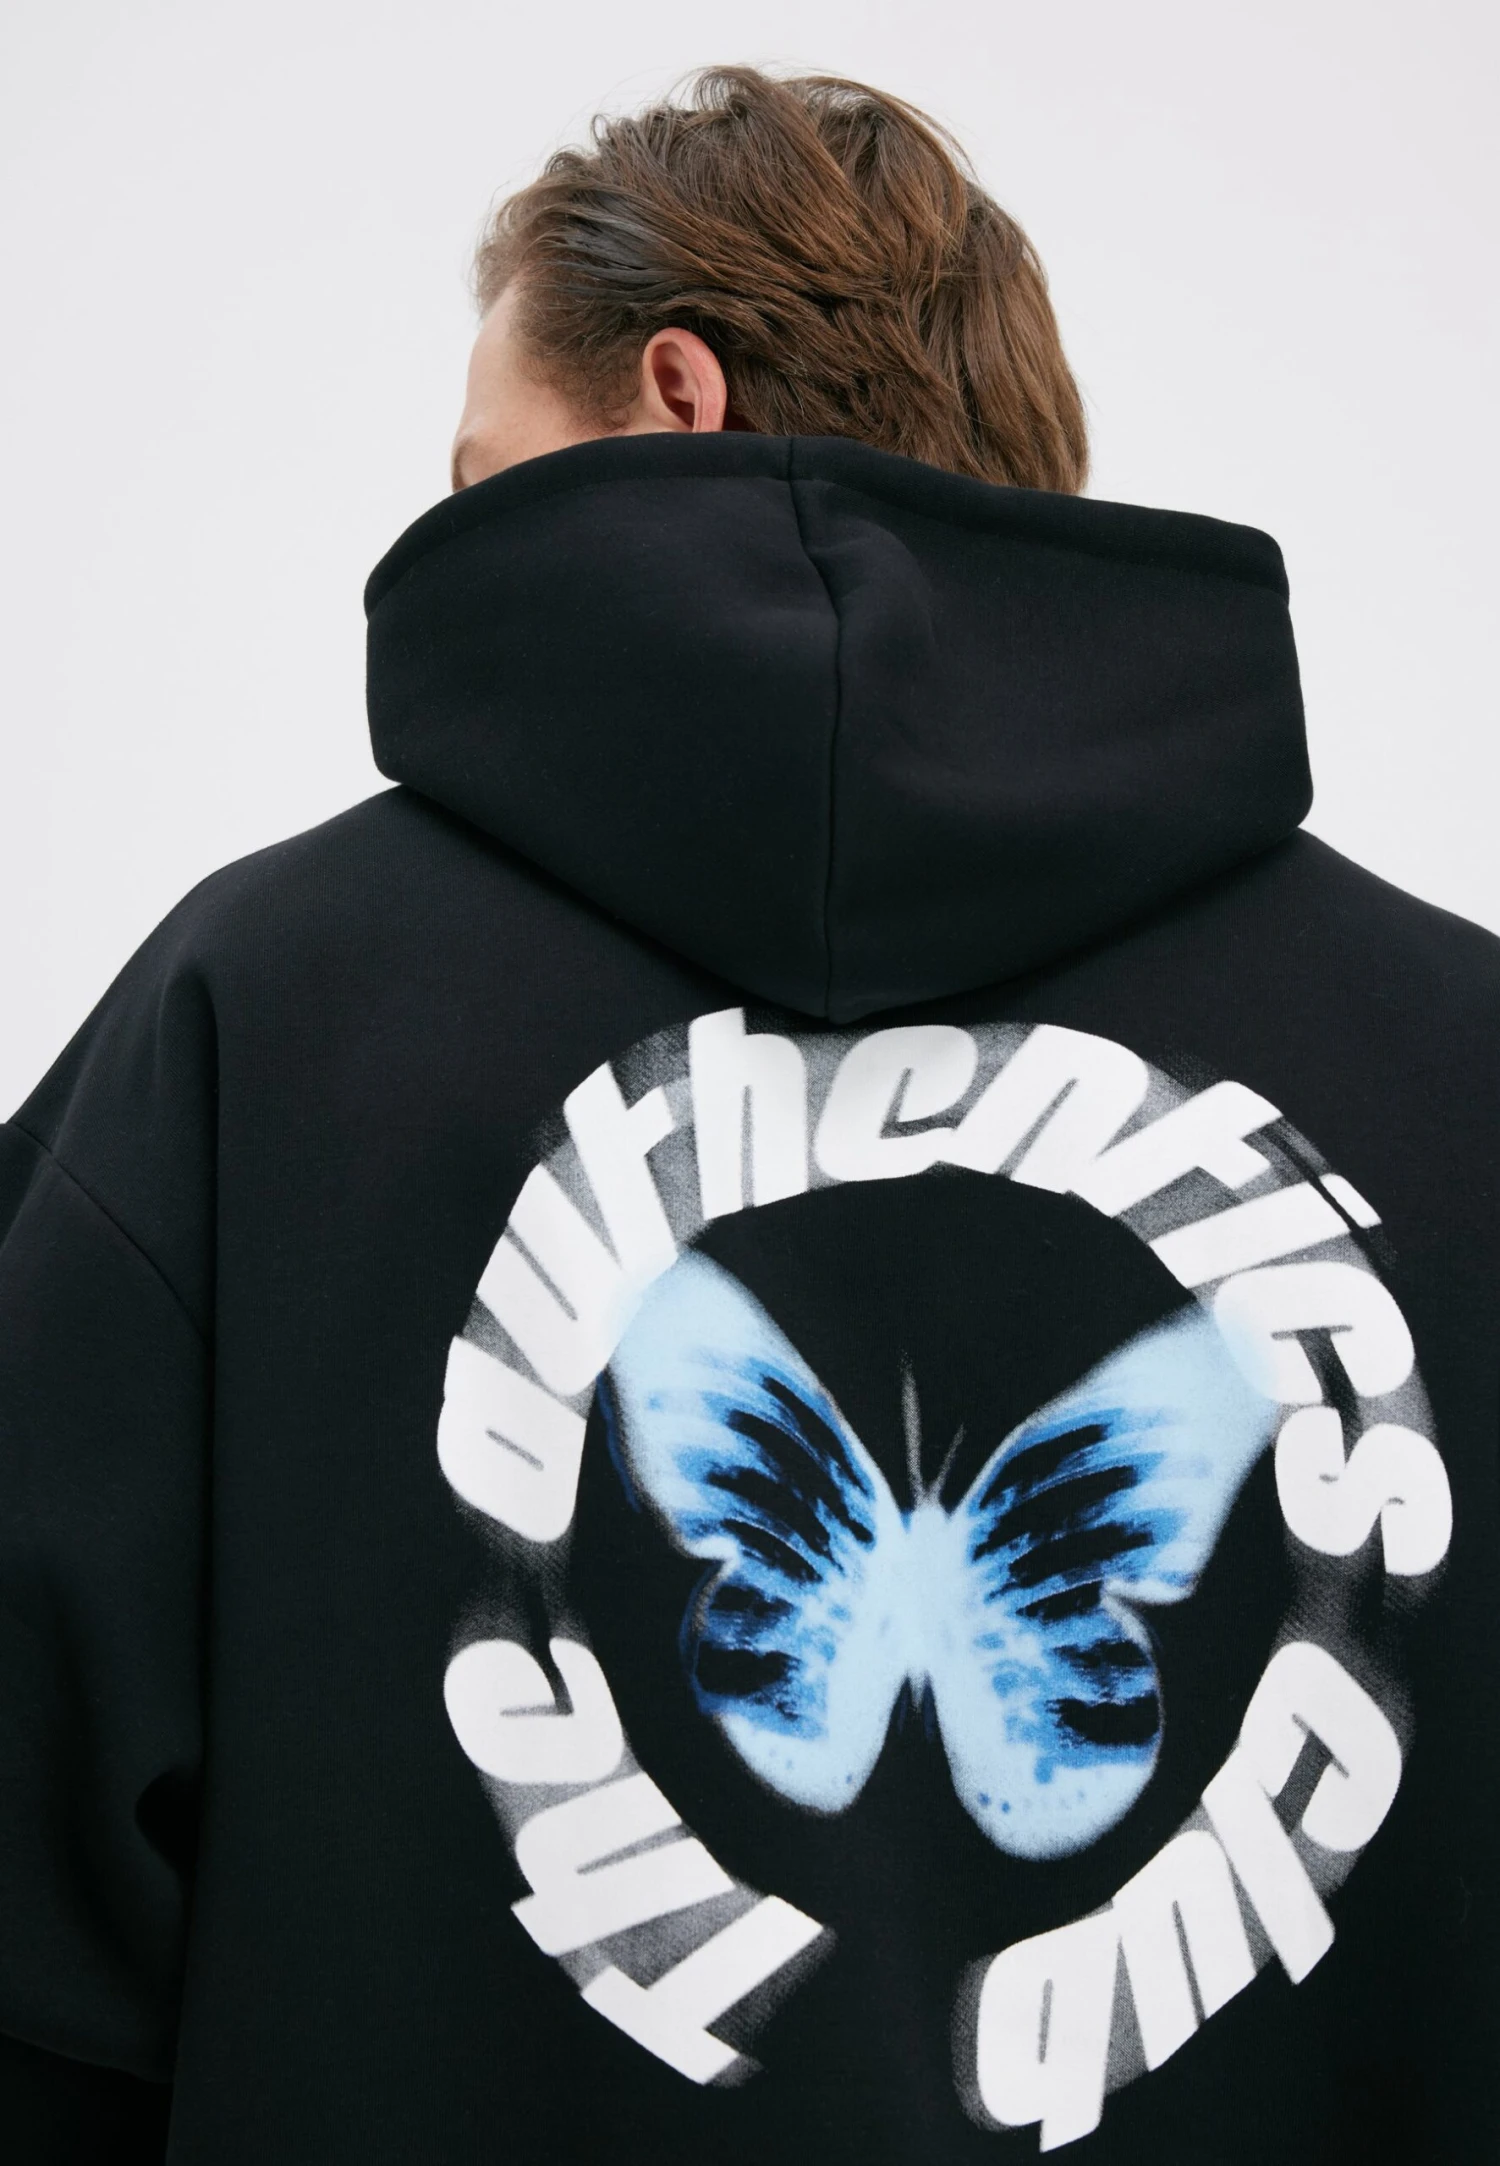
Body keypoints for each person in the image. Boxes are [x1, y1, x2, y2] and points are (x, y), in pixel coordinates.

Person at [0, 62, 1494, 2166]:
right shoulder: (1466, 1064)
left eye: (479, 469)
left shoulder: (251, 1021)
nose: (443, 530)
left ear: (675, 395)